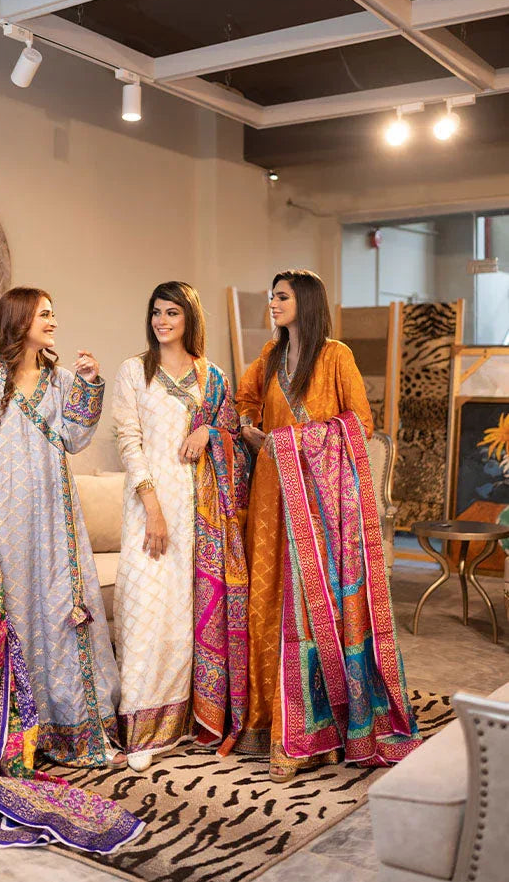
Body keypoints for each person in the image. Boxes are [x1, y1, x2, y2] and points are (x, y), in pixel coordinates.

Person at [236, 269, 420, 782]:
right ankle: (268, 720)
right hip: (272, 495)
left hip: (320, 507)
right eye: (272, 296)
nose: (273, 303)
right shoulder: (270, 357)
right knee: (268, 601)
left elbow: (359, 423)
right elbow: (246, 401)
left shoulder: (336, 356)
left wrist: (295, 442)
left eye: (282, 296)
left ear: (306, 301)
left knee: (309, 608)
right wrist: (251, 429)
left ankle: (316, 733)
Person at [0, 286, 125, 769]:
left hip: (57, 516)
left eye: (53, 313)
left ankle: (75, 728)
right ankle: (21, 733)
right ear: (19, 321)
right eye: (44, 315)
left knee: (63, 612)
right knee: (19, 616)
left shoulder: (61, 380)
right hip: (9, 520)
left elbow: (74, 439)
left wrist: (89, 385)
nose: (53, 322)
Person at [112, 281, 249, 772]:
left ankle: (182, 724)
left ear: (189, 317)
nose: (162, 321)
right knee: (144, 614)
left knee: (183, 618)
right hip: (149, 509)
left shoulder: (212, 377)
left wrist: (209, 430)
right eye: (156, 312)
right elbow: (128, 441)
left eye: (172, 312)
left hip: (200, 515)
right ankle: (139, 730)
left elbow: (236, 438)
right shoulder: (135, 370)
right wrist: (151, 507)